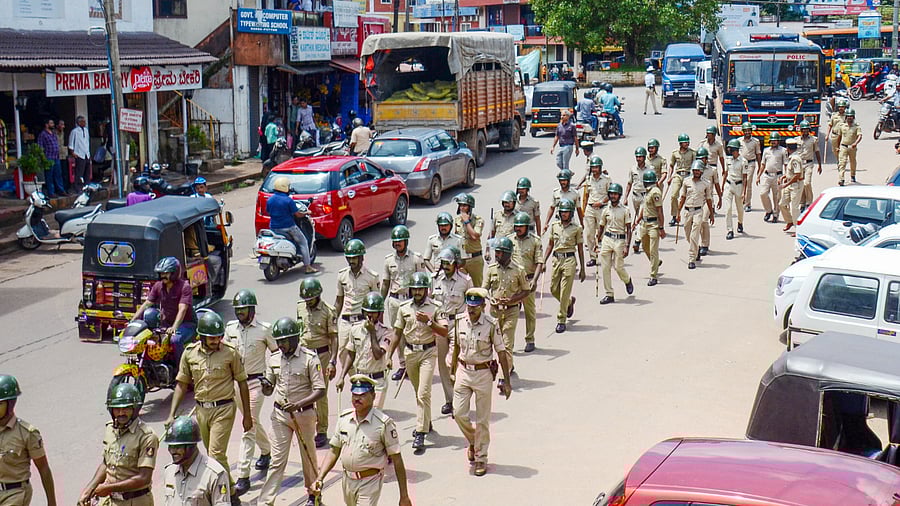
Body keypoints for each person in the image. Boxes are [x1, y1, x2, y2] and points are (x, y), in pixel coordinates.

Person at [167, 311, 253, 506]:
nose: (216, 341)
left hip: (224, 408)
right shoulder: (190, 353)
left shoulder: (230, 353)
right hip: (201, 410)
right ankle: (230, 488)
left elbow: (242, 383)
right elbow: (181, 383)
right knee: (210, 454)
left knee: (215, 454)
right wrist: (171, 414)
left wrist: (247, 416)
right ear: (202, 336)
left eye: (218, 337)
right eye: (212, 337)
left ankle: (226, 498)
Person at [311, 375, 413, 506]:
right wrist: (320, 478)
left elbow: (397, 459)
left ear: (373, 396)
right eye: (354, 395)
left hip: (370, 482)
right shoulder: (344, 419)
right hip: (347, 481)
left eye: (362, 395)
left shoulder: (383, 424)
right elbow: (333, 451)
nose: (357, 399)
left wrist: (404, 496)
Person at [259, 317, 326, 506]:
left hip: (304, 415)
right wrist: (265, 385)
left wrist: (298, 405)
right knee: (277, 461)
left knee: (308, 457)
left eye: (285, 341)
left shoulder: (310, 359)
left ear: (295, 338)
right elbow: (269, 388)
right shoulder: (274, 359)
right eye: (278, 341)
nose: (281, 345)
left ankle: (314, 494)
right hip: (280, 415)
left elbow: (320, 390)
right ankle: (265, 502)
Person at [449, 287, 513, 477]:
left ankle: (481, 458)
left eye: (475, 307)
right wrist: (452, 370)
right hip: (463, 370)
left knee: (483, 419)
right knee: (458, 413)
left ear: (483, 307)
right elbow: (456, 347)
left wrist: (506, 380)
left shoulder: (491, 324)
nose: (471, 310)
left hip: (483, 373)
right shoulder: (459, 321)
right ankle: (473, 441)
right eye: (469, 306)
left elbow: (501, 352)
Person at [226, 290, 277, 496]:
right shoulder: (230, 329)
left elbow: (276, 354)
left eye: (244, 309)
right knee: (252, 422)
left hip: (255, 383)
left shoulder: (264, 330)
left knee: (248, 428)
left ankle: (243, 476)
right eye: (237, 310)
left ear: (252, 309)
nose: (240, 313)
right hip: (236, 384)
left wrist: (271, 379)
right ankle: (266, 451)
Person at [390, 271, 448, 451]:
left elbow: (444, 331)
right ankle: (427, 421)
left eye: (420, 290)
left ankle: (420, 432)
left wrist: (429, 322)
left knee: (424, 392)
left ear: (426, 290)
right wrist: (388, 356)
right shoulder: (404, 308)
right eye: (414, 290)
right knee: (418, 392)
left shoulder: (436, 307)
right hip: (410, 353)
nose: (417, 293)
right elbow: (397, 333)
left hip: (428, 352)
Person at [79, 384, 157, 506]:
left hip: (136, 502)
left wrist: (109, 488)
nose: (121, 413)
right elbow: (106, 463)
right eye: (116, 409)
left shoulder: (146, 436)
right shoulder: (110, 429)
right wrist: (89, 489)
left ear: (134, 409)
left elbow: (144, 477)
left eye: (126, 408)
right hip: (113, 501)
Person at [0, 375, 57, 506]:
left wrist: (52, 502)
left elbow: (43, 468)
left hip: (15, 493)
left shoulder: (27, 433)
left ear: (10, 404)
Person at [381, 225, 426, 388]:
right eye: (395, 241)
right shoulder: (388, 260)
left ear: (406, 241)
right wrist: (381, 303)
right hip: (394, 301)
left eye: (400, 241)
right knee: (397, 334)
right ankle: (403, 365)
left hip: (411, 300)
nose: (397, 244)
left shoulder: (416, 259)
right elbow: (386, 283)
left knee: (413, 331)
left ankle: (416, 362)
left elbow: (423, 281)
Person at [296, 278, 339, 448]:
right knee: (304, 392)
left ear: (318, 296)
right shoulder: (300, 307)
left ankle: (322, 430)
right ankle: (307, 426)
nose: (308, 302)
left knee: (320, 393)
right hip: (304, 355)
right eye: (306, 299)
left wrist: (333, 361)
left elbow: (334, 338)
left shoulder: (329, 311)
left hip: (321, 355)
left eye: (311, 299)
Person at [336, 292, 397, 410]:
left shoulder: (386, 332)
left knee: (373, 415)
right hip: (360, 379)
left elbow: (378, 354)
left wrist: (372, 333)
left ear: (379, 313)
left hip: (377, 381)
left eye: (374, 312)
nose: (370, 315)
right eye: (367, 311)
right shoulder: (355, 329)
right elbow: (351, 354)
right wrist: (342, 377)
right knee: (360, 414)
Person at [431, 248, 473, 413]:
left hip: (458, 325)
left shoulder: (465, 280)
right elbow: (430, 302)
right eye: (443, 263)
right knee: (442, 365)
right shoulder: (435, 279)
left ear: (455, 263)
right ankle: (450, 400)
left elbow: (473, 304)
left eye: (448, 263)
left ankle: (460, 399)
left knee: (453, 363)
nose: (445, 266)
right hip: (441, 324)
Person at [132, 256, 196, 365]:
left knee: (174, 340)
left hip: (186, 325)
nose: (163, 276)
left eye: (166, 273)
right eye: (161, 273)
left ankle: (181, 371)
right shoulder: (158, 286)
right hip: (166, 325)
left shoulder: (184, 287)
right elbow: (147, 303)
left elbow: (183, 309)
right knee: (145, 338)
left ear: (174, 273)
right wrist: (132, 321)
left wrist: (174, 328)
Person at [482, 236, 530, 381]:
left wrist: (512, 299)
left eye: (501, 253)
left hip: (511, 311)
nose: (497, 255)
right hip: (495, 312)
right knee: (493, 342)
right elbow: (485, 289)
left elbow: (526, 290)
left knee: (506, 344)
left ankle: (503, 377)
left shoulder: (518, 270)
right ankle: (508, 365)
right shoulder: (491, 270)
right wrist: (490, 299)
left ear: (508, 254)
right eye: (497, 252)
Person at [335, 238, 382, 376]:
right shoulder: (342, 275)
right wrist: (332, 321)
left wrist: (379, 327)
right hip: (345, 321)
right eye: (348, 258)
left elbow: (377, 304)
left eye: (354, 257)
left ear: (362, 257)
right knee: (343, 353)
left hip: (363, 321)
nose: (351, 261)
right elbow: (339, 301)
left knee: (363, 352)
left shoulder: (372, 277)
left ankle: (363, 380)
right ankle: (354, 380)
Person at [161, 416, 231, 506]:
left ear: (192, 446)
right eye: (170, 446)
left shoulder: (214, 474)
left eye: (177, 447)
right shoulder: (169, 471)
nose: (172, 451)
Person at [542, 198, 585, 333]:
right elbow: (550, 245)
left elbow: (580, 248)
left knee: (565, 289)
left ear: (571, 213)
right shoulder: (555, 226)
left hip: (569, 260)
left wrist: (583, 268)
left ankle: (561, 319)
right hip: (556, 259)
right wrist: (543, 261)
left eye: (566, 212)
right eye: (562, 212)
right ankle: (569, 302)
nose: (564, 214)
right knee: (554, 288)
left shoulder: (576, 228)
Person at [266, 176, 317, 274]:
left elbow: (269, 211)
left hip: (274, 228)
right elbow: (297, 214)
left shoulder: (270, 200)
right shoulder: (288, 200)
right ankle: (308, 266)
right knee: (303, 242)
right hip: (289, 227)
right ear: (284, 187)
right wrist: (306, 213)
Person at [507, 212, 543, 352]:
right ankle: (509, 342)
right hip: (512, 280)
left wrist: (535, 280)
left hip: (528, 279)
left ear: (527, 227)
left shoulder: (535, 240)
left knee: (529, 311)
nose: (518, 228)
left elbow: (539, 262)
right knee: (510, 311)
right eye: (516, 226)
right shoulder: (509, 240)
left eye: (521, 226)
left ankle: (530, 339)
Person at [596, 184, 634, 304]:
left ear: (619, 195)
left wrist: (627, 245)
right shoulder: (606, 210)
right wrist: (598, 240)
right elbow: (602, 226)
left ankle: (627, 280)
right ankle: (609, 294)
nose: (613, 196)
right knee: (605, 267)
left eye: (615, 194)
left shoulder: (625, 210)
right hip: (607, 238)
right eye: (611, 194)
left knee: (618, 267)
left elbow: (629, 229)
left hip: (619, 240)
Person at [677, 161, 715, 270]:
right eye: (695, 170)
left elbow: (708, 199)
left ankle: (691, 258)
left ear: (702, 171)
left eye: (698, 170)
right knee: (687, 232)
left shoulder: (705, 183)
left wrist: (711, 214)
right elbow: (683, 197)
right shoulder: (686, 181)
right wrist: (678, 212)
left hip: (698, 211)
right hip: (687, 210)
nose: (696, 172)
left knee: (694, 234)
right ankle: (696, 249)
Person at [636, 169, 666, 286]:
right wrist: (638, 219)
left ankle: (653, 275)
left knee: (653, 250)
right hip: (644, 223)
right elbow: (645, 206)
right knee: (645, 247)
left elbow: (660, 211)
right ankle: (656, 262)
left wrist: (661, 227)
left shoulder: (655, 192)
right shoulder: (647, 191)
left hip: (653, 225)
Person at [580, 156, 611, 264]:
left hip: (602, 209)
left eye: (596, 168)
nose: (594, 170)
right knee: (589, 234)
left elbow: (610, 195)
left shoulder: (606, 179)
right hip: (590, 208)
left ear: (600, 168)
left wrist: (601, 202)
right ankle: (593, 257)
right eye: (592, 168)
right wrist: (584, 209)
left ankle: (603, 254)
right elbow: (586, 195)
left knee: (602, 233)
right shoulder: (588, 179)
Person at [453, 193, 486, 287]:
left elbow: (475, 236)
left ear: (470, 207)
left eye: (464, 205)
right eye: (460, 205)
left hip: (475, 259)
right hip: (462, 259)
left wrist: (467, 222)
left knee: (476, 287)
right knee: (461, 286)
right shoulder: (457, 220)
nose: (461, 208)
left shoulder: (478, 220)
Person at [695, 147, 722, 257]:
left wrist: (720, 197)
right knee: (696, 223)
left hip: (707, 200)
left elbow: (716, 184)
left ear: (707, 159)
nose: (701, 160)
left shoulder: (712, 170)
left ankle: (705, 244)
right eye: (699, 158)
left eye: (703, 158)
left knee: (704, 220)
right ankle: (696, 244)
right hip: (696, 200)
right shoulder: (695, 169)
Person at [722, 138, 750, 240]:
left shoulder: (743, 161)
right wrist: (722, 187)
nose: (730, 152)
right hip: (728, 185)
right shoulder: (728, 160)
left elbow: (745, 178)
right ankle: (730, 230)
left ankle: (740, 222)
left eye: (732, 150)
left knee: (739, 209)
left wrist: (744, 192)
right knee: (728, 208)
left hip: (739, 185)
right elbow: (725, 173)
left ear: (736, 150)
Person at [667, 133, 696, 226]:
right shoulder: (675, 153)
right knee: (674, 195)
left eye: (688, 142)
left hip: (688, 176)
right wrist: (669, 177)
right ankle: (674, 216)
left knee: (689, 197)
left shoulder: (692, 153)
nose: (687, 143)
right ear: (680, 143)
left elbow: (695, 165)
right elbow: (671, 165)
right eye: (685, 142)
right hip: (678, 175)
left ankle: (690, 216)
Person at [624, 149, 649, 254]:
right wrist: (625, 197)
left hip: (645, 197)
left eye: (640, 156)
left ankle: (638, 241)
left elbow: (653, 184)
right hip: (635, 197)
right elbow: (629, 184)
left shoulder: (649, 169)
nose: (638, 159)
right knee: (639, 217)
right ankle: (642, 234)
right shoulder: (633, 169)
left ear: (644, 157)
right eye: (637, 157)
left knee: (640, 217)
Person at [758, 132, 787, 224]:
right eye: (772, 141)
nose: (773, 142)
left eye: (775, 141)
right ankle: (768, 210)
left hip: (778, 176)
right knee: (763, 194)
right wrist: (758, 176)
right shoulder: (766, 151)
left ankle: (775, 214)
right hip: (767, 175)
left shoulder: (783, 151)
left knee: (777, 197)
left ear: (778, 141)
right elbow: (763, 164)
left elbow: (786, 164)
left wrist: (785, 176)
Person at [780, 138, 804, 233]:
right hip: (790, 183)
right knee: (782, 204)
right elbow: (791, 172)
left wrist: (786, 184)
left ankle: (798, 229)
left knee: (794, 207)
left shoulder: (795, 159)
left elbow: (797, 174)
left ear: (788, 148)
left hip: (796, 185)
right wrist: (784, 177)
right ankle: (789, 221)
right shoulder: (792, 158)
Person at [797, 121, 823, 207]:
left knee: (807, 183)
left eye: (807, 130)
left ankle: (809, 202)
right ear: (801, 130)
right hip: (799, 164)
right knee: (800, 184)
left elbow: (817, 152)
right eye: (803, 130)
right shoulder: (796, 140)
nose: (805, 131)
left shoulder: (813, 140)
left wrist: (820, 165)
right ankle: (802, 203)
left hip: (809, 163)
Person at [37, 119, 64, 198]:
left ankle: (61, 190)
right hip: (48, 157)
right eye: (51, 123)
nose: (53, 124)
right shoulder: (43, 134)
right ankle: (51, 192)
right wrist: (43, 158)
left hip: (56, 156)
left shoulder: (53, 133)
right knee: (49, 176)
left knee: (58, 174)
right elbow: (40, 147)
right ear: (46, 125)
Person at [738, 123, 761, 212]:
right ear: (743, 131)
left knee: (748, 182)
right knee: (741, 182)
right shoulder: (739, 141)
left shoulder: (755, 142)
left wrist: (759, 167)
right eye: (746, 130)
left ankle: (748, 204)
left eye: (749, 130)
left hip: (751, 163)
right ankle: (741, 200)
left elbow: (758, 154)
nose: (747, 132)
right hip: (741, 164)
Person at [837, 108, 862, 185]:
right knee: (842, 163)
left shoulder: (856, 126)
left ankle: (853, 175)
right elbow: (839, 137)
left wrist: (855, 143)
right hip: (843, 147)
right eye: (848, 116)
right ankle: (841, 179)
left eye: (851, 116)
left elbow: (860, 136)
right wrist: (837, 147)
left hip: (852, 147)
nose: (849, 118)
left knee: (853, 162)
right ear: (846, 117)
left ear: (853, 117)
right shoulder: (842, 126)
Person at [69, 115, 91, 192]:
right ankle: (77, 187)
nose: (85, 123)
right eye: (83, 121)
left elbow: (87, 142)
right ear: (79, 122)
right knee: (79, 172)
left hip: (86, 154)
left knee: (87, 172)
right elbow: (71, 143)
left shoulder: (86, 130)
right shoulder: (74, 131)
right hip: (79, 154)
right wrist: (73, 153)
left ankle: (87, 186)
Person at [826, 98, 848, 165]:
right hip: (834, 135)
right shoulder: (834, 115)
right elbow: (830, 125)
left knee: (843, 149)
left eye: (842, 107)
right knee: (835, 150)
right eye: (840, 107)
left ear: (845, 108)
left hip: (843, 136)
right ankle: (839, 159)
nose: (841, 108)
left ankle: (842, 161)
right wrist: (827, 135)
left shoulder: (847, 116)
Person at [54, 120, 71, 194]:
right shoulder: (54, 133)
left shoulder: (63, 133)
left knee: (65, 173)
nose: (63, 126)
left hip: (64, 155)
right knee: (58, 174)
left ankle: (65, 189)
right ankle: (59, 190)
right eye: (61, 125)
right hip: (56, 156)